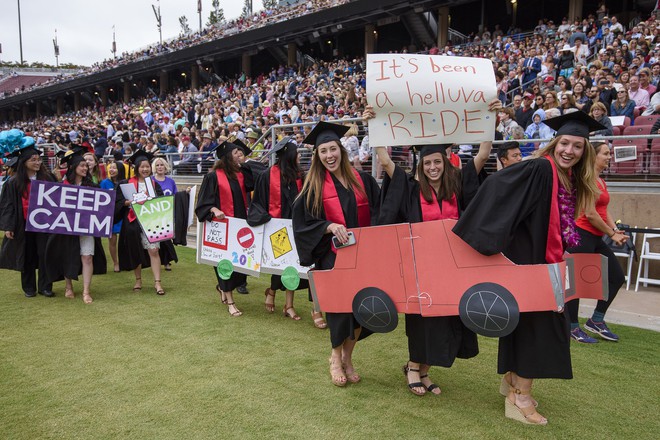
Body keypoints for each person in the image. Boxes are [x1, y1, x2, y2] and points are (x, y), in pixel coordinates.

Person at [452, 111, 604, 425]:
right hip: (533, 265)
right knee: (541, 330)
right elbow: (497, 186)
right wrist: (498, 237)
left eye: (577, 146)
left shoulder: (567, 178)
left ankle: (511, 383)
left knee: (531, 328)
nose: (569, 151)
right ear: (555, 143)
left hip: (542, 263)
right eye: (565, 143)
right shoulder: (539, 168)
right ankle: (519, 397)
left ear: (585, 151)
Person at [370, 99, 500, 396]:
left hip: (453, 265)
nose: (432, 167)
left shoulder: (459, 184)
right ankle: (414, 366)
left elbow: (483, 153)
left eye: (437, 162)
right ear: (421, 165)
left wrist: (488, 117)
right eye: (427, 163)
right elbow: (387, 162)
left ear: (446, 161)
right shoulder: (413, 189)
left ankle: (425, 369)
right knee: (422, 318)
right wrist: (374, 125)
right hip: (422, 266)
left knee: (448, 318)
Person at [292, 121, 380, 387]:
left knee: (362, 311)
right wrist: (327, 226)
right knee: (341, 312)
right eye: (323, 152)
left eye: (333, 149)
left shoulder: (362, 180)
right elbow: (303, 223)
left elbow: (380, 212)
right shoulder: (314, 186)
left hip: (363, 257)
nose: (329, 155)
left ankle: (349, 358)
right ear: (317, 156)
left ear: (341, 150)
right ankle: (334, 357)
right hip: (333, 257)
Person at [566, 141, 626, 343]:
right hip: (582, 235)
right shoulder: (585, 178)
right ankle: (572, 327)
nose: (609, 157)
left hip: (596, 237)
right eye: (606, 153)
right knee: (575, 284)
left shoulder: (601, 180)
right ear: (594, 156)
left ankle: (596, 320)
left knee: (617, 277)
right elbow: (590, 214)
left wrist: (615, 230)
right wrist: (611, 233)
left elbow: (603, 210)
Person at [247, 137, 311, 323]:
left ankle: (286, 303)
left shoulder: (300, 176)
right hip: (276, 227)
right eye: (296, 153)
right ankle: (274, 293)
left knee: (293, 264)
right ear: (289, 156)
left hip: (296, 227)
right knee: (280, 265)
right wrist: (265, 217)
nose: (299, 156)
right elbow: (257, 201)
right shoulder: (267, 175)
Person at [195, 140, 255, 317]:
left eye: (240, 153)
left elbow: (254, 184)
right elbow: (203, 203)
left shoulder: (241, 174)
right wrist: (213, 209)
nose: (239, 155)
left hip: (240, 228)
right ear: (227, 157)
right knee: (225, 265)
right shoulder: (213, 176)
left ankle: (222, 287)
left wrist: (244, 165)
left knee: (240, 268)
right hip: (221, 229)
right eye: (236, 153)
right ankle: (230, 301)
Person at [45, 147, 106, 304]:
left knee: (87, 257)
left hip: (86, 228)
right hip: (67, 228)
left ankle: (86, 291)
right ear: (73, 167)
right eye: (82, 166)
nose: (85, 168)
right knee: (68, 256)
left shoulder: (93, 187)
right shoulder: (61, 186)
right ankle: (68, 286)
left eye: (86, 165)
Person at [0, 131, 56, 298]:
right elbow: (8, 206)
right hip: (23, 224)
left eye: (38, 159)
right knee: (27, 256)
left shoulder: (48, 178)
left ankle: (45, 286)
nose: (37, 162)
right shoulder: (13, 182)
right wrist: (9, 227)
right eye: (33, 160)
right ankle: (29, 287)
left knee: (45, 254)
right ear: (24, 162)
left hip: (44, 223)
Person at [115, 150, 166, 296]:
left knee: (154, 250)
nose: (145, 169)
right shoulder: (126, 184)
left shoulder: (154, 184)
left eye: (147, 166)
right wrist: (127, 202)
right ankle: (138, 280)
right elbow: (118, 202)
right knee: (135, 250)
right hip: (133, 220)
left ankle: (157, 282)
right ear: (136, 167)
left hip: (151, 221)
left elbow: (162, 201)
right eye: (142, 166)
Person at [152, 156, 178, 272]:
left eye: (161, 164)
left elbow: (175, 196)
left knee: (166, 238)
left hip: (167, 214)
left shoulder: (170, 181)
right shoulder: (151, 181)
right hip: (155, 214)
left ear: (165, 166)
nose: (159, 167)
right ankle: (157, 260)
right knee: (158, 239)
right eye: (157, 165)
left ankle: (167, 261)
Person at [100, 161, 122, 272]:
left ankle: (125, 261)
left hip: (123, 214)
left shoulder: (125, 182)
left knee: (125, 240)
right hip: (111, 215)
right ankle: (116, 263)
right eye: (110, 168)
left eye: (114, 168)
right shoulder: (104, 183)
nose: (111, 170)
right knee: (112, 240)